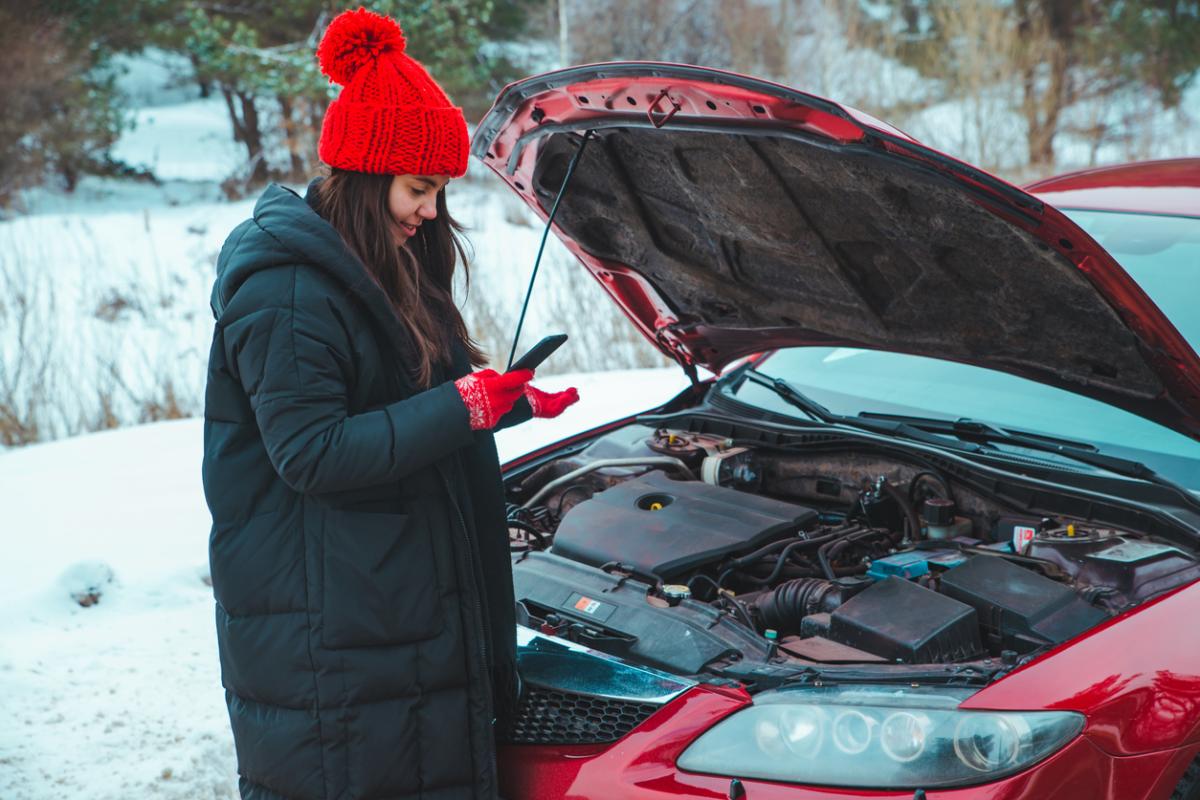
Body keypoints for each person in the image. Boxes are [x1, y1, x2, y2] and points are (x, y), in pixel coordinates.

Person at [201, 9, 579, 799]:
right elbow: (313, 453)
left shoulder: (384, 264)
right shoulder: (290, 293)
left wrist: (501, 403)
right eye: (419, 188)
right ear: (368, 178)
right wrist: (464, 409)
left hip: (382, 615)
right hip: (329, 636)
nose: (432, 211)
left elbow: (404, 408)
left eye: (439, 190)